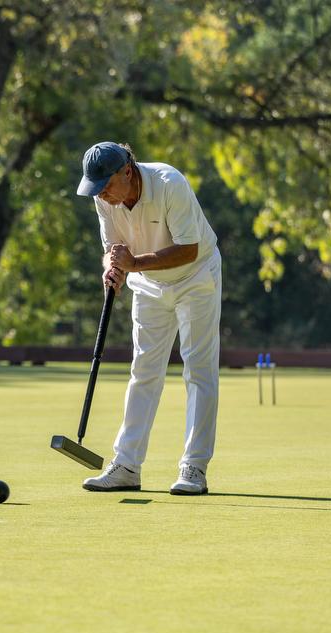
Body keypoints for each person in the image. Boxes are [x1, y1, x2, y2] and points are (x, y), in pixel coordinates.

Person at [76, 141, 221, 496]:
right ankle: (126, 464)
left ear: (127, 170)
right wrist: (112, 271)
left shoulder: (170, 184)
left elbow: (190, 249)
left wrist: (135, 265)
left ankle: (194, 467)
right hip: (150, 285)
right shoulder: (103, 198)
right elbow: (112, 251)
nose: (103, 195)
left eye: (107, 186)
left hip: (196, 277)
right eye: (97, 189)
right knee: (143, 370)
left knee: (198, 369)